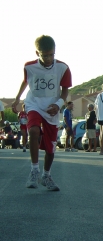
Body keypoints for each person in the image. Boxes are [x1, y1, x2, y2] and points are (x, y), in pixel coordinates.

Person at [11, 35, 72, 191]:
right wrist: (17, 99)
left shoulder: (63, 68)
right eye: (44, 55)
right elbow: (26, 81)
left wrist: (58, 105)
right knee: (33, 130)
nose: (48, 58)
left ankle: (46, 175)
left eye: (51, 54)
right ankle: (34, 170)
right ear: (37, 53)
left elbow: (65, 90)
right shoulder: (29, 67)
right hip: (34, 104)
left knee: (51, 148)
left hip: (52, 108)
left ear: (54, 52)